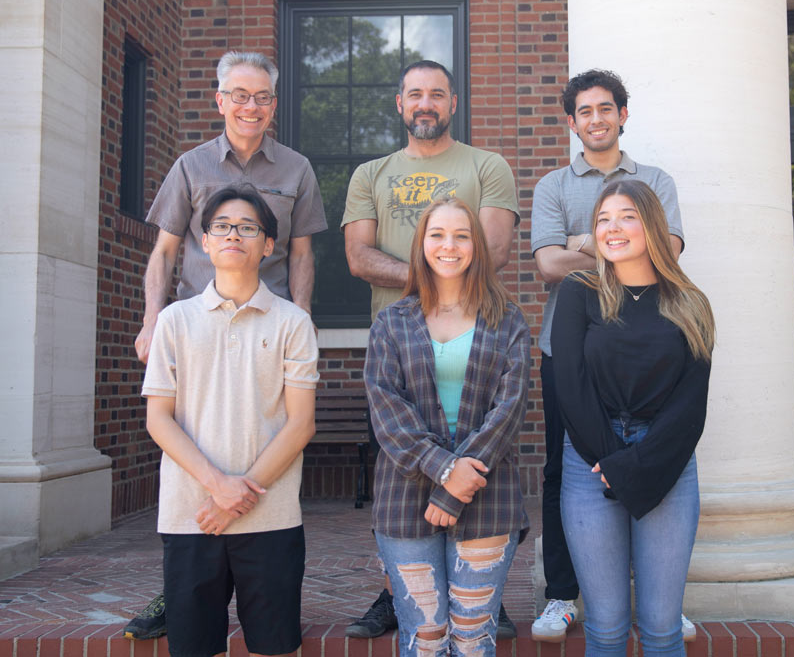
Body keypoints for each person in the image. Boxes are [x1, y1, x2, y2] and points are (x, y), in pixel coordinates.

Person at [125, 50, 327, 641]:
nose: (250, 106)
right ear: (220, 100)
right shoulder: (190, 167)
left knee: (263, 434)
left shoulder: (296, 169)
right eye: (238, 94)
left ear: (272, 105)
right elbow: (164, 252)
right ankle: (182, 586)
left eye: (262, 96)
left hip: (271, 330)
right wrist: (150, 319)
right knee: (198, 439)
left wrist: (304, 319)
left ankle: (240, 556)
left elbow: (302, 256)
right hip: (197, 325)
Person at [342, 60, 519, 639]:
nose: (425, 103)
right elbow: (358, 257)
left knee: (475, 440)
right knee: (402, 468)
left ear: (453, 102)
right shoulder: (371, 173)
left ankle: (478, 594)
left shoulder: (486, 166)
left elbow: (491, 252)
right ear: (399, 104)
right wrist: (430, 283)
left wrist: (444, 281)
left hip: (476, 338)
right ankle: (401, 593)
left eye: (436, 95)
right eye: (414, 94)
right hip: (401, 346)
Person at [529, 69, 692, 642]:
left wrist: (583, 242)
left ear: (623, 114)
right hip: (569, 352)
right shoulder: (553, 185)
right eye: (584, 111)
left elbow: (667, 250)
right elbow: (546, 265)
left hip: (649, 352)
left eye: (606, 108)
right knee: (563, 472)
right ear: (570, 122)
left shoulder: (655, 179)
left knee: (659, 457)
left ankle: (658, 593)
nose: (596, 119)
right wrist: (620, 250)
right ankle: (560, 594)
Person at [142, 185, 319, 657]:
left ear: (268, 245)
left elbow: (301, 424)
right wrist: (218, 486)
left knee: (274, 647)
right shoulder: (174, 321)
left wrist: (237, 498)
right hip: (190, 515)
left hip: (272, 516)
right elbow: (158, 419)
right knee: (195, 648)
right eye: (221, 226)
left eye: (247, 227)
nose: (232, 235)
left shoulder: (292, 323)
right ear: (204, 242)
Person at [551, 180, 714, 657]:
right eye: (602, 219)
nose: (612, 228)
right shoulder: (580, 291)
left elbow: (691, 404)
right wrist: (612, 459)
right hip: (589, 461)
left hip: (666, 461)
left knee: (662, 629)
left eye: (626, 216)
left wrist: (639, 463)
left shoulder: (690, 302)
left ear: (652, 226)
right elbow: (571, 383)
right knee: (604, 627)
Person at [364, 197, 529, 657]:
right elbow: (386, 409)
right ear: (421, 245)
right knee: (424, 638)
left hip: (487, 494)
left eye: (462, 235)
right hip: (404, 497)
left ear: (476, 245)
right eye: (437, 234)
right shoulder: (391, 323)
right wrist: (442, 470)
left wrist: (457, 485)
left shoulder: (507, 319)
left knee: (474, 639)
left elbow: (509, 408)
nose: (449, 245)